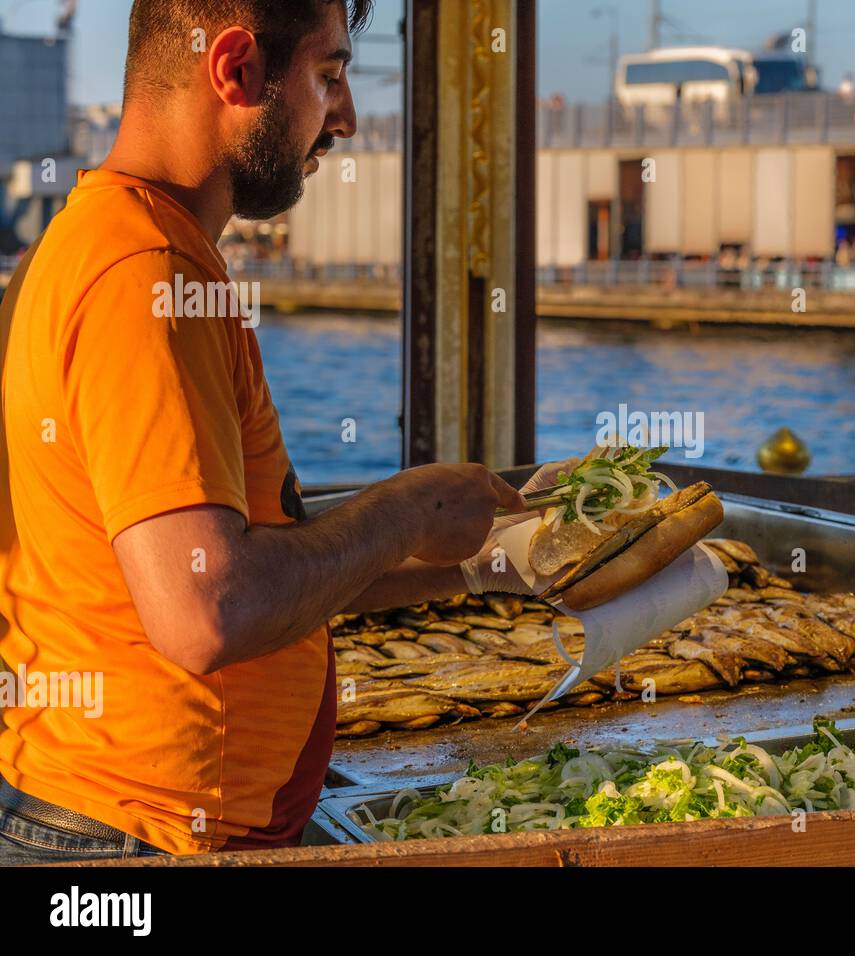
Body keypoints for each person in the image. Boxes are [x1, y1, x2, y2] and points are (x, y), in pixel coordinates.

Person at [0, 0, 554, 863]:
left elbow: (250, 565)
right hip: (137, 839)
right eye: (329, 76)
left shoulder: (94, 246)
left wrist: (489, 562)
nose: (347, 117)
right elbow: (207, 610)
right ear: (236, 70)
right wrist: (406, 510)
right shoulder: (142, 277)